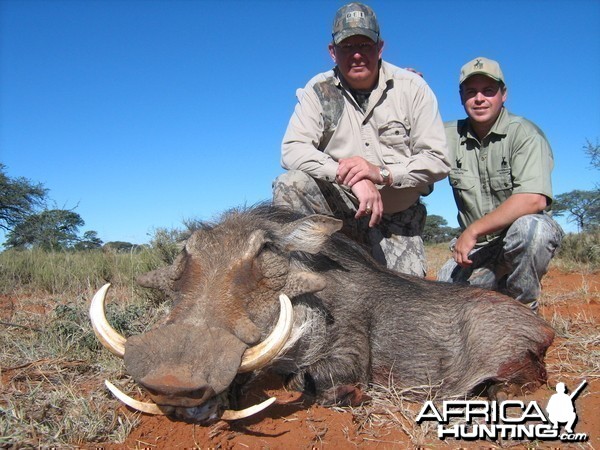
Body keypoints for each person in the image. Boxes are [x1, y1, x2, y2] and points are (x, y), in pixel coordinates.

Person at [272, 2, 449, 277]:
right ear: (333, 52)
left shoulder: (413, 88)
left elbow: (437, 161)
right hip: (342, 212)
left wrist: (381, 173)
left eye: (365, 45)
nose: (356, 55)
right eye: (346, 46)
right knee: (292, 184)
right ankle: (299, 280)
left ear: (380, 47)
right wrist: (352, 176)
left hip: (397, 219)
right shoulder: (317, 90)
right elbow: (292, 150)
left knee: (405, 303)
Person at [437, 56, 564, 311]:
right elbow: (411, 138)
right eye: (471, 92)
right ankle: (499, 286)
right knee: (444, 295)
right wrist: (407, 89)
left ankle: (524, 311)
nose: (479, 98)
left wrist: (472, 231)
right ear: (461, 97)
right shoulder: (446, 134)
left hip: (514, 239)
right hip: (481, 250)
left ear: (503, 94)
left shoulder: (525, 134)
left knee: (532, 230)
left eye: (488, 91)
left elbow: (533, 199)